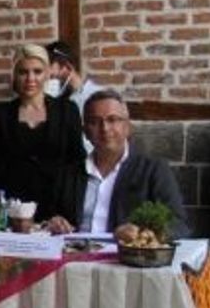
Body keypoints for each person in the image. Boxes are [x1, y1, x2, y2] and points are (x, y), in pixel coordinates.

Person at [43, 89, 190, 237]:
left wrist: (140, 233)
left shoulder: (152, 170)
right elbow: (45, 220)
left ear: (127, 127)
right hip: (75, 250)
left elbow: (178, 224)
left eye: (112, 120)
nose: (104, 128)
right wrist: (52, 223)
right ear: (85, 131)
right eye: (95, 121)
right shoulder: (68, 174)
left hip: (126, 251)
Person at [0, 44, 85, 214]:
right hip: (13, 207)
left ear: (47, 74)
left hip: (58, 206)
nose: (30, 78)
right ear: (15, 75)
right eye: (23, 72)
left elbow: (77, 159)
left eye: (37, 71)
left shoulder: (67, 111)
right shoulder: (1, 115)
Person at [44, 40, 102, 115]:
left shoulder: (96, 94)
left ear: (66, 65)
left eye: (49, 65)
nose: (45, 70)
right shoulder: (58, 97)